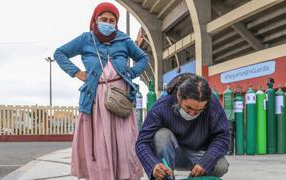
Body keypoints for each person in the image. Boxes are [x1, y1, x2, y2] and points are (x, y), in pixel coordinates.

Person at [53, 2, 148, 180]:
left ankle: (124, 175)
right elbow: (59, 53)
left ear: (116, 23)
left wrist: (131, 72)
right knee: (99, 141)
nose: (108, 23)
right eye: (103, 19)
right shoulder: (85, 39)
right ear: (95, 20)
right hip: (94, 97)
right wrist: (76, 72)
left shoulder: (124, 40)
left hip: (120, 96)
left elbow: (143, 58)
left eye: (112, 20)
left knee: (124, 140)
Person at [136, 74, 230, 180]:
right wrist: (153, 165)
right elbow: (142, 143)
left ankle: (195, 177)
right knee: (161, 135)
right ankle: (166, 177)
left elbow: (223, 137)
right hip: (173, 153)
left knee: (221, 165)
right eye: (188, 108)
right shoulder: (161, 107)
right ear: (179, 97)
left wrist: (205, 163)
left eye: (199, 110)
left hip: (199, 154)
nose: (192, 113)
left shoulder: (212, 104)